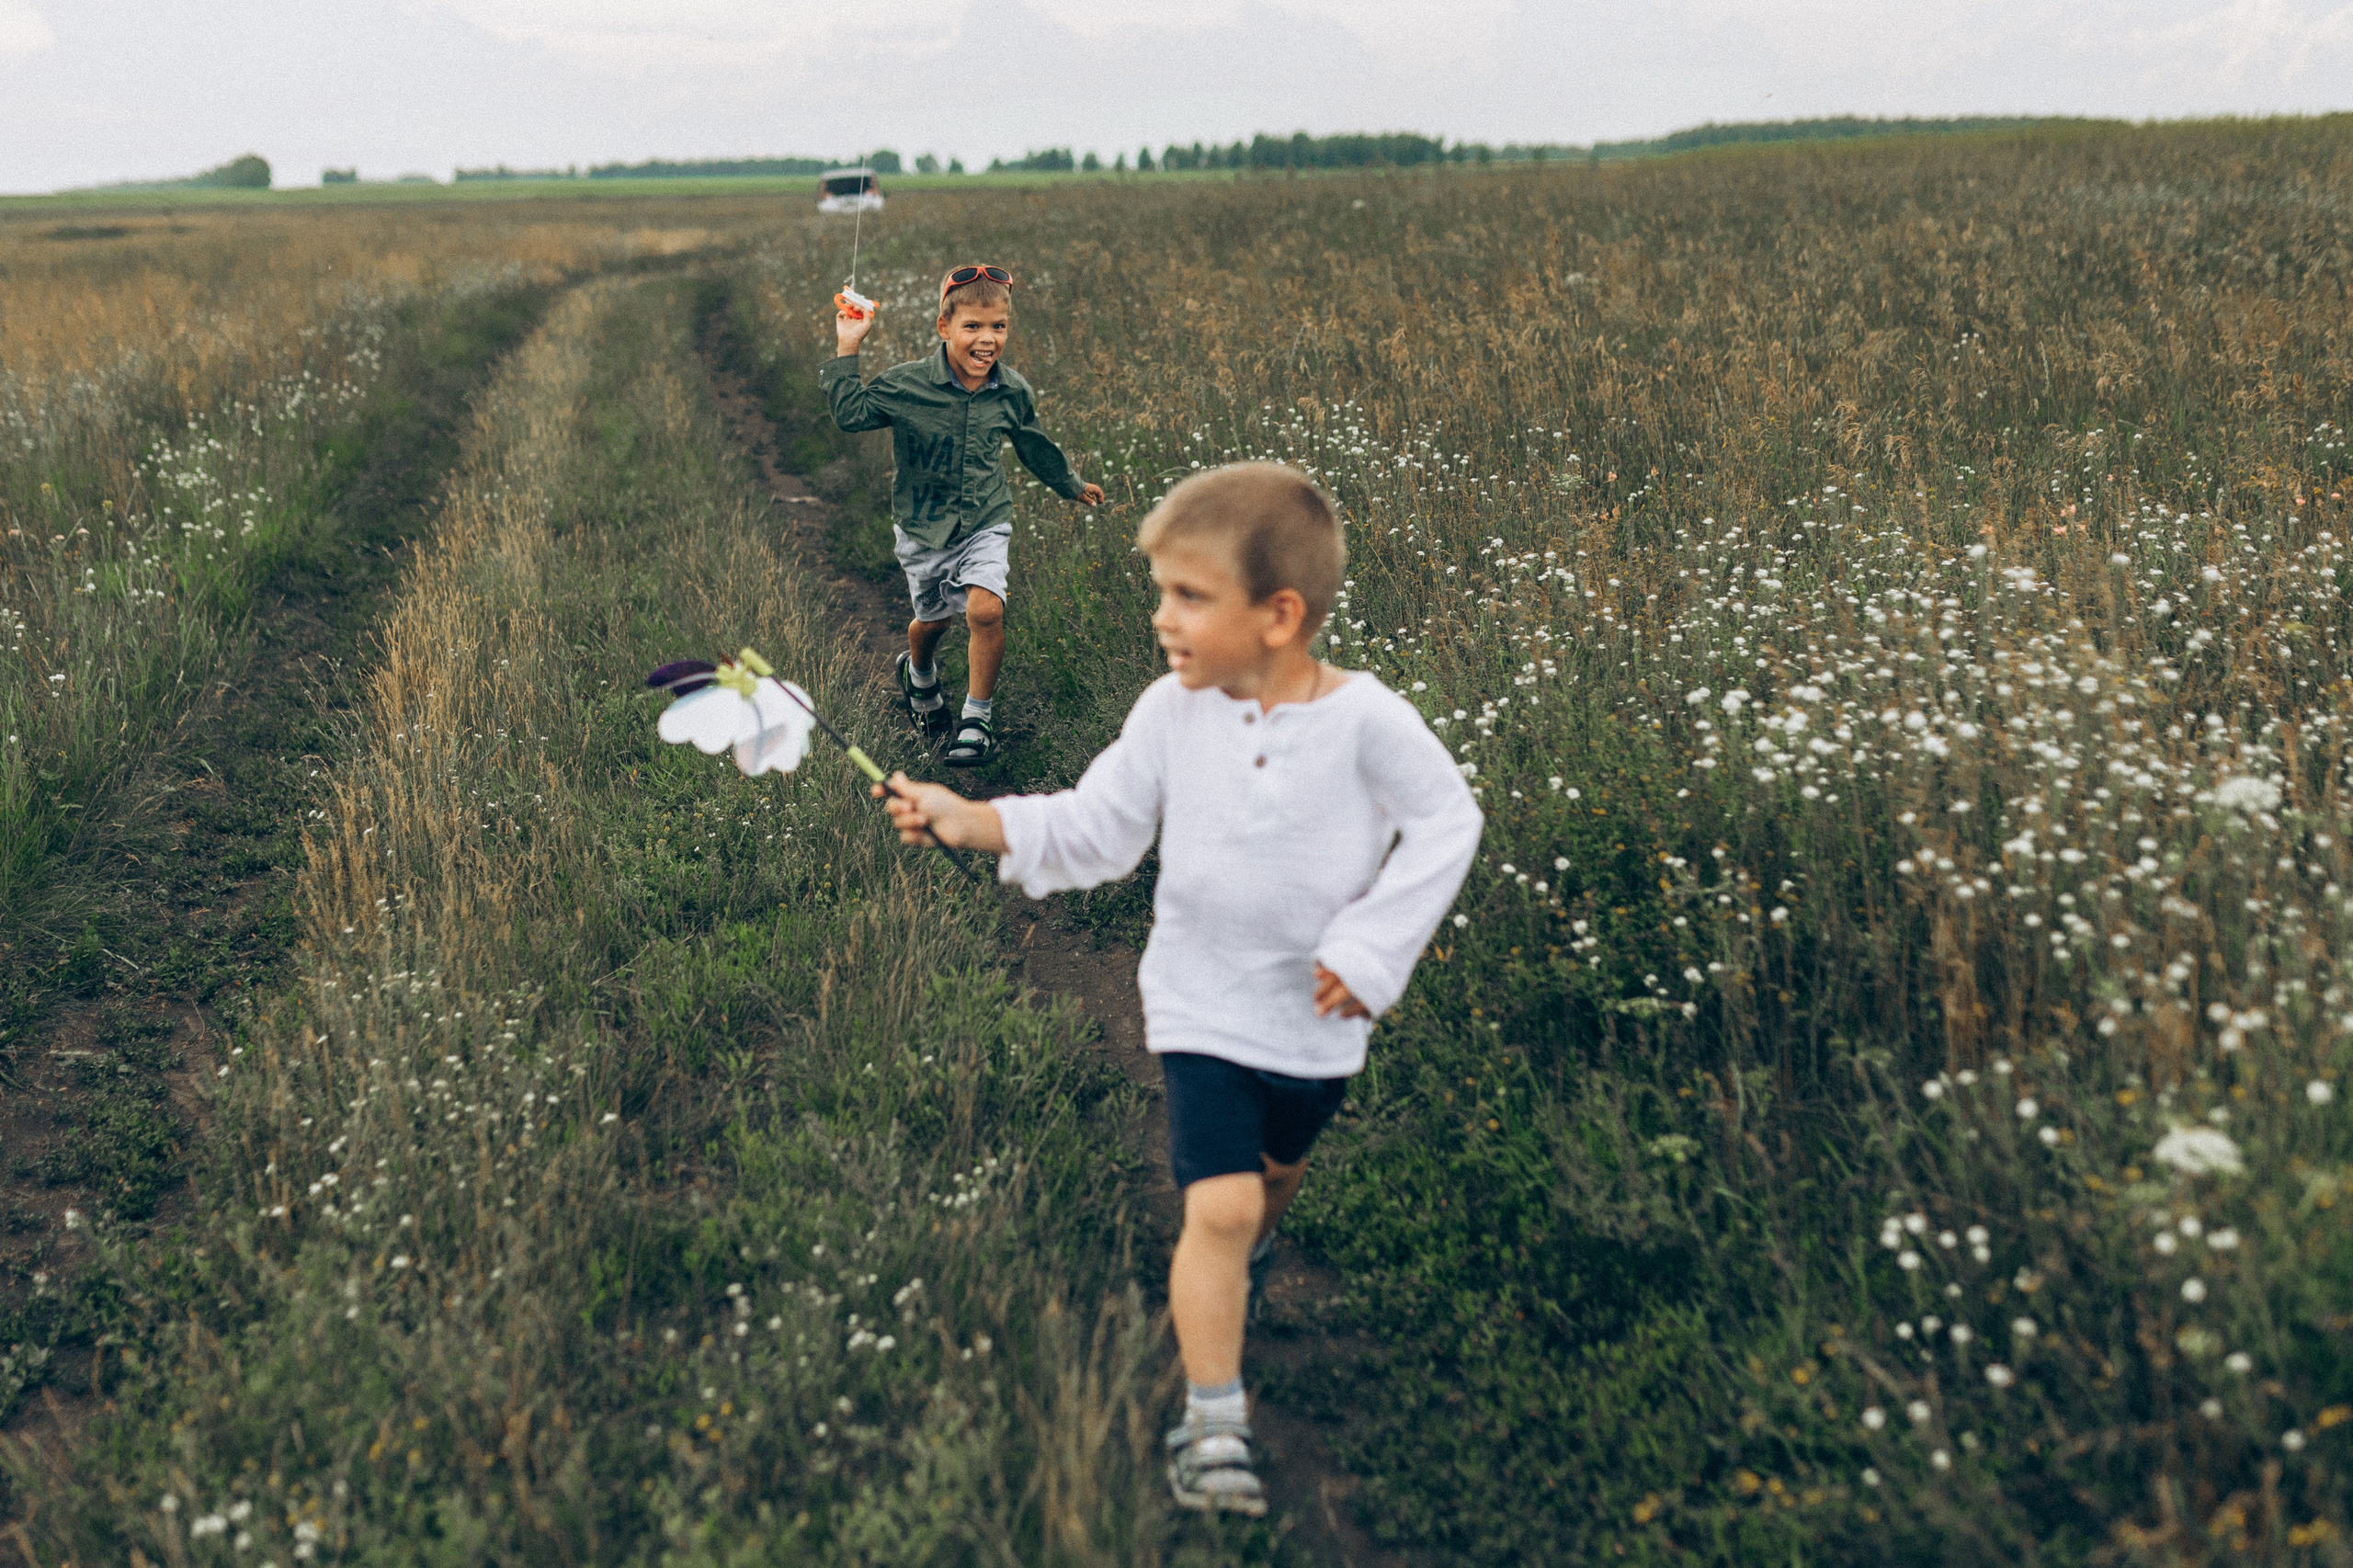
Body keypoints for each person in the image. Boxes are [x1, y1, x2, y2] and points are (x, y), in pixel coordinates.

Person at [873, 463, 1483, 1515]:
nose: (1163, 619)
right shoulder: (1170, 711)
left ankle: (1244, 1252)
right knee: (1222, 1201)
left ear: (1279, 614)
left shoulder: (1368, 723)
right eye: (1162, 592)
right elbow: (1095, 825)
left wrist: (1375, 948)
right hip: (1200, 999)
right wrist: (970, 817)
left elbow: (1448, 822)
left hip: (1316, 1020)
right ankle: (1213, 1419)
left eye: (1189, 597)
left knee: (1271, 1183)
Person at [824, 264, 1105, 767]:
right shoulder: (907, 385)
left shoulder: (1011, 390)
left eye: (997, 327)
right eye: (972, 326)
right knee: (930, 625)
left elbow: (1032, 444)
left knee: (985, 610)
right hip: (922, 527)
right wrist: (850, 346)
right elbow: (851, 416)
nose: (987, 339)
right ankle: (919, 675)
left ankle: (977, 719)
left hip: (985, 519)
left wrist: (1071, 484)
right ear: (944, 327)